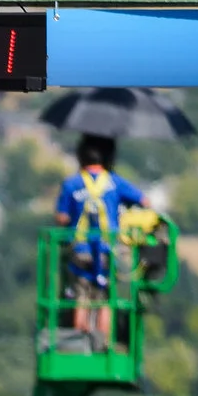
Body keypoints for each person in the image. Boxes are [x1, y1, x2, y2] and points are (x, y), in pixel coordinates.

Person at [54, 133, 146, 343]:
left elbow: (61, 217)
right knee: (105, 297)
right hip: (108, 251)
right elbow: (144, 201)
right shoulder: (115, 182)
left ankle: (79, 341)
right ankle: (103, 342)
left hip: (80, 251)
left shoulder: (72, 184)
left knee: (81, 297)